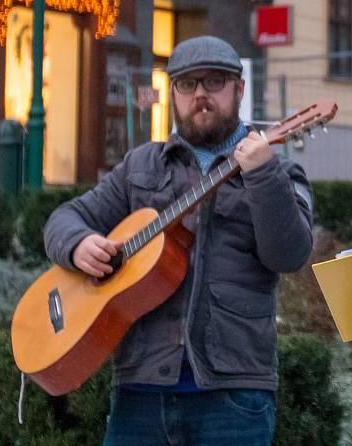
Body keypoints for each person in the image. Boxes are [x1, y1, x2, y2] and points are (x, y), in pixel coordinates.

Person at [44, 35, 313, 445]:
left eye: (214, 82)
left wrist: (262, 174)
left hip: (233, 396)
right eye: (188, 84)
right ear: (173, 94)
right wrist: (78, 244)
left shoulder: (280, 172)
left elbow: (289, 254)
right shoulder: (141, 165)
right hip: (140, 391)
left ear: (239, 90)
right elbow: (64, 219)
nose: (200, 94)